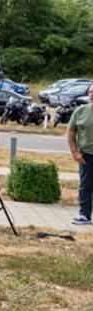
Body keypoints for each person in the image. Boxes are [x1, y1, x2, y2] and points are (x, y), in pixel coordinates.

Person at [68, 82, 93, 224]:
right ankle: (84, 215)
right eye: (90, 91)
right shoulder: (81, 111)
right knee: (85, 186)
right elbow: (71, 133)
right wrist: (75, 153)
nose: (92, 93)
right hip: (86, 155)